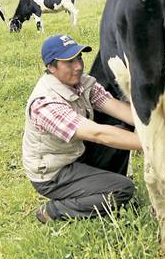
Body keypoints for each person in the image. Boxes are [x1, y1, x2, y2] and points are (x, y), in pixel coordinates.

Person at [22, 34, 142, 223]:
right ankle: (54, 210)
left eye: (79, 58)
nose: (78, 66)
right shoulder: (45, 104)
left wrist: (161, 127)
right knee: (123, 189)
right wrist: (154, 143)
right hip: (53, 173)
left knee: (120, 131)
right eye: (69, 62)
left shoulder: (82, 84)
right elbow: (97, 134)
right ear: (51, 67)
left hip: (75, 155)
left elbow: (118, 108)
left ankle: (101, 186)